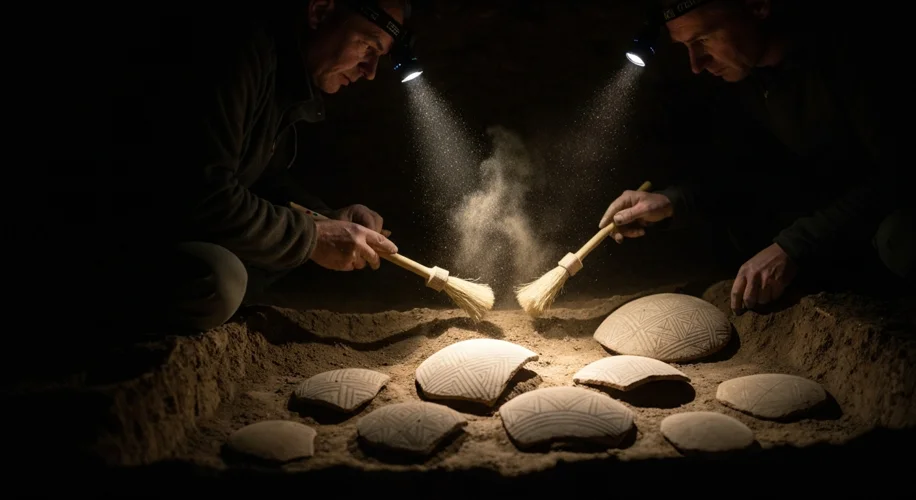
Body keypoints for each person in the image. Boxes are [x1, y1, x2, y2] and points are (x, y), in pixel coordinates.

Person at [97, 0, 410, 333]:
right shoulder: (236, 51)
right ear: (320, 12)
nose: (371, 71)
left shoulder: (285, 79)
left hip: (193, 226)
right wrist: (312, 236)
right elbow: (203, 195)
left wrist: (326, 217)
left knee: (278, 250)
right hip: (134, 229)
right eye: (367, 46)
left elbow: (264, 180)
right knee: (221, 279)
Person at [599, 0, 912, 312]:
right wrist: (670, 202)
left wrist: (794, 246)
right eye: (685, 47)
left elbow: (896, 177)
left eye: (702, 39)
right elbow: (746, 171)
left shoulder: (850, 54)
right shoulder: (746, 77)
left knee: (901, 241)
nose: (696, 63)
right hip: (831, 211)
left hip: (881, 212)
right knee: (740, 228)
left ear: (758, 5)